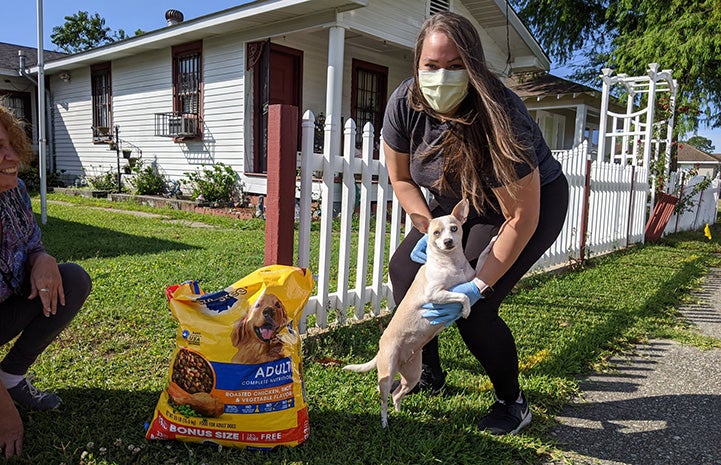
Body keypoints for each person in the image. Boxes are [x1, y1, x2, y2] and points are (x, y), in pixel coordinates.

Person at [382, 11, 569, 435]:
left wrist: (476, 284)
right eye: (431, 66)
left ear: (474, 67)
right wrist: (427, 224)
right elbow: (401, 178)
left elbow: (521, 216)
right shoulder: (405, 102)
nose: (441, 77)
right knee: (404, 269)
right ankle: (427, 371)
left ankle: (512, 402)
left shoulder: (501, 116)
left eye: (454, 66)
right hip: (455, 207)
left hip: (527, 206)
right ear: (417, 65)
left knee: (473, 310)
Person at [0, 105, 92, 458]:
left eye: (11, 143)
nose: (11, 156)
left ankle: (11, 376)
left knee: (72, 279)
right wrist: (5, 416)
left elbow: (33, 242)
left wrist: (43, 259)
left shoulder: (16, 190)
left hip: (6, 307)